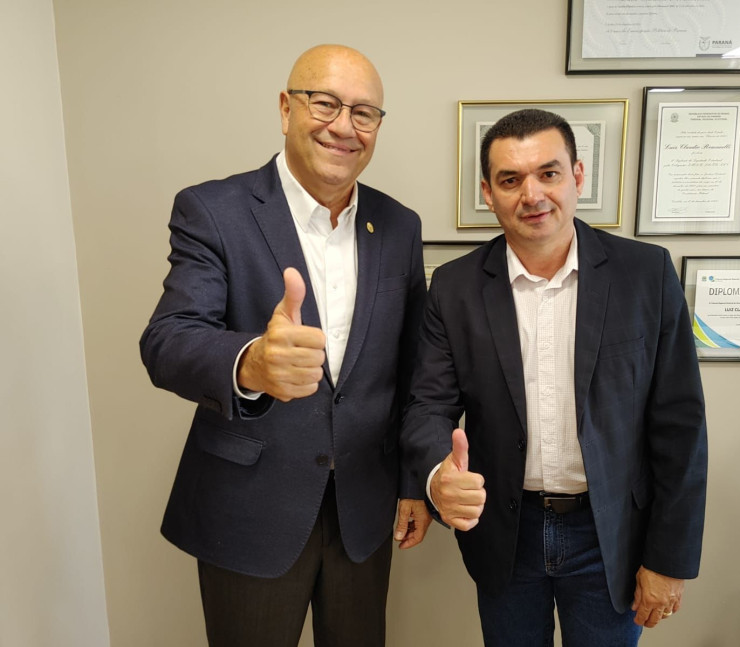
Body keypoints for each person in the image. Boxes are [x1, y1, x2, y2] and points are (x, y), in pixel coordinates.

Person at [140, 44, 431, 647]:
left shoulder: (400, 227)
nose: (344, 126)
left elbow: (412, 371)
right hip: (250, 509)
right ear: (285, 108)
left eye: (365, 113)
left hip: (363, 511)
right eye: (325, 103)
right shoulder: (213, 209)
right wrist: (251, 362)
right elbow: (168, 339)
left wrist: (412, 481)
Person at [402, 108, 708, 646]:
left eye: (549, 173)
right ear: (488, 192)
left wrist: (669, 559)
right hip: (505, 532)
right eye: (510, 179)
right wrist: (436, 478)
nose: (533, 194)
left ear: (578, 177)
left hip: (610, 534)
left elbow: (680, 427)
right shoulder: (453, 287)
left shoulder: (647, 274)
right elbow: (427, 405)